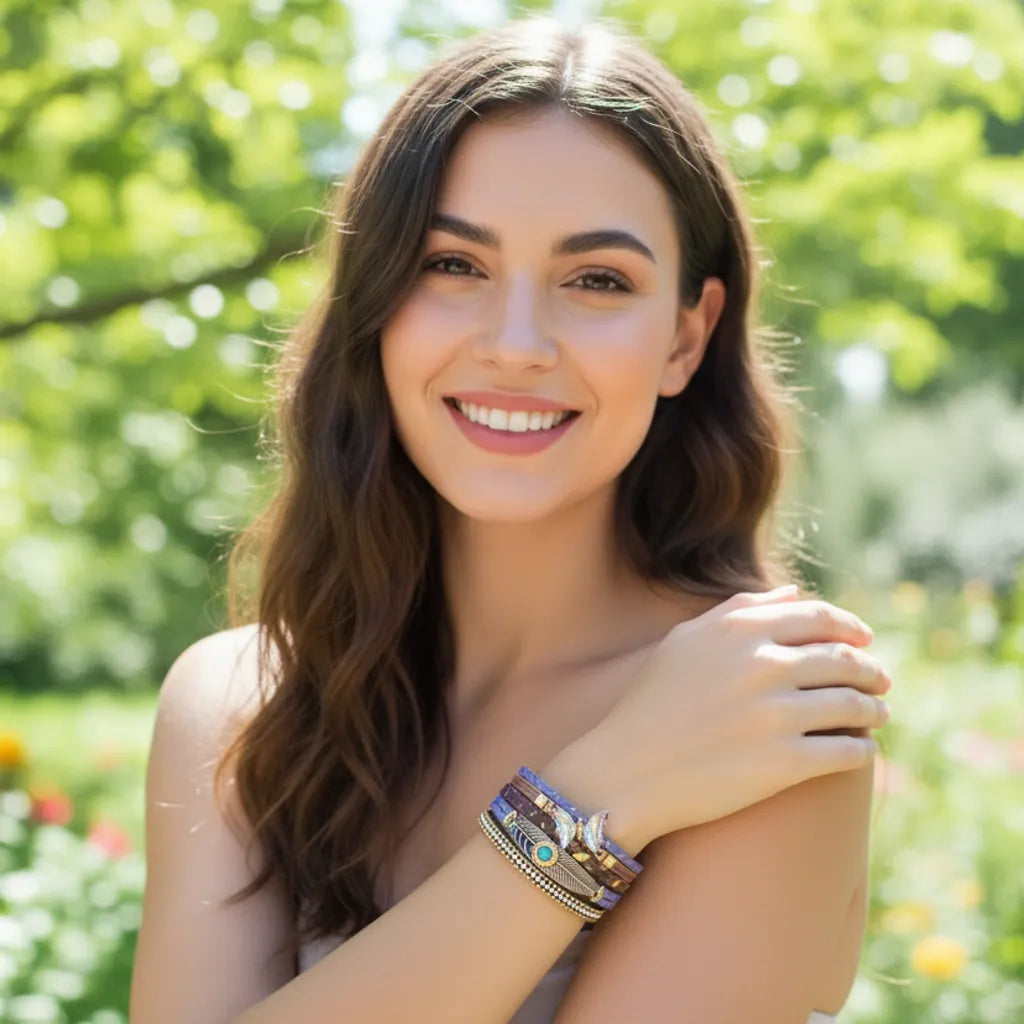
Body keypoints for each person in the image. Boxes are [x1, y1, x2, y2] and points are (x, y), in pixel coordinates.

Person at [129, 14, 892, 1024]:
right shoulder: (239, 704)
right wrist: (596, 795)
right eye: (453, 264)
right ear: (376, 302)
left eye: (596, 280)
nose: (518, 343)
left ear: (684, 336)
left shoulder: (767, 711)